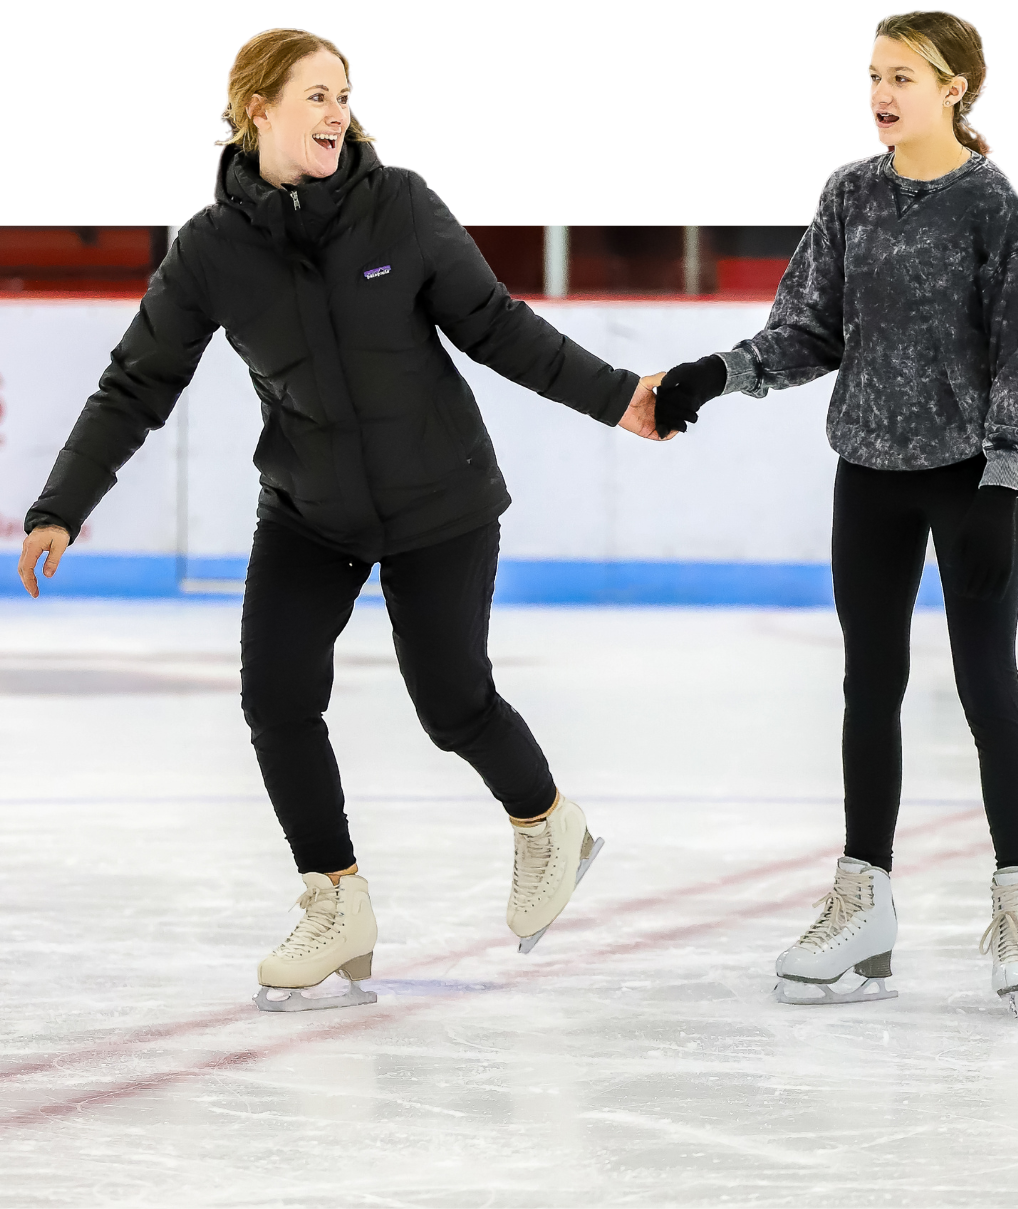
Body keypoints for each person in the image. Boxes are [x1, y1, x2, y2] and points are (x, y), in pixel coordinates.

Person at [17, 27, 670, 1013]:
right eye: (314, 95)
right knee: (276, 699)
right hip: (310, 508)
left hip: (439, 497)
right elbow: (135, 382)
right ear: (257, 112)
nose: (335, 114)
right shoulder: (211, 248)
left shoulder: (399, 204)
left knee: (451, 703)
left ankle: (547, 824)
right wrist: (63, 504)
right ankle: (335, 900)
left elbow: (495, 324)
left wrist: (618, 395)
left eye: (343, 95)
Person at [654, 9, 1018, 1018]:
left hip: (973, 479)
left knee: (985, 688)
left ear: (958, 87)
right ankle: (865, 904)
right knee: (868, 686)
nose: (884, 94)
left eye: (906, 77)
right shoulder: (849, 193)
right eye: (875, 75)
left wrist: (1006, 468)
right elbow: (806, 330)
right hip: (868, 474)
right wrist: (715, 374)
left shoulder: (993, 204)